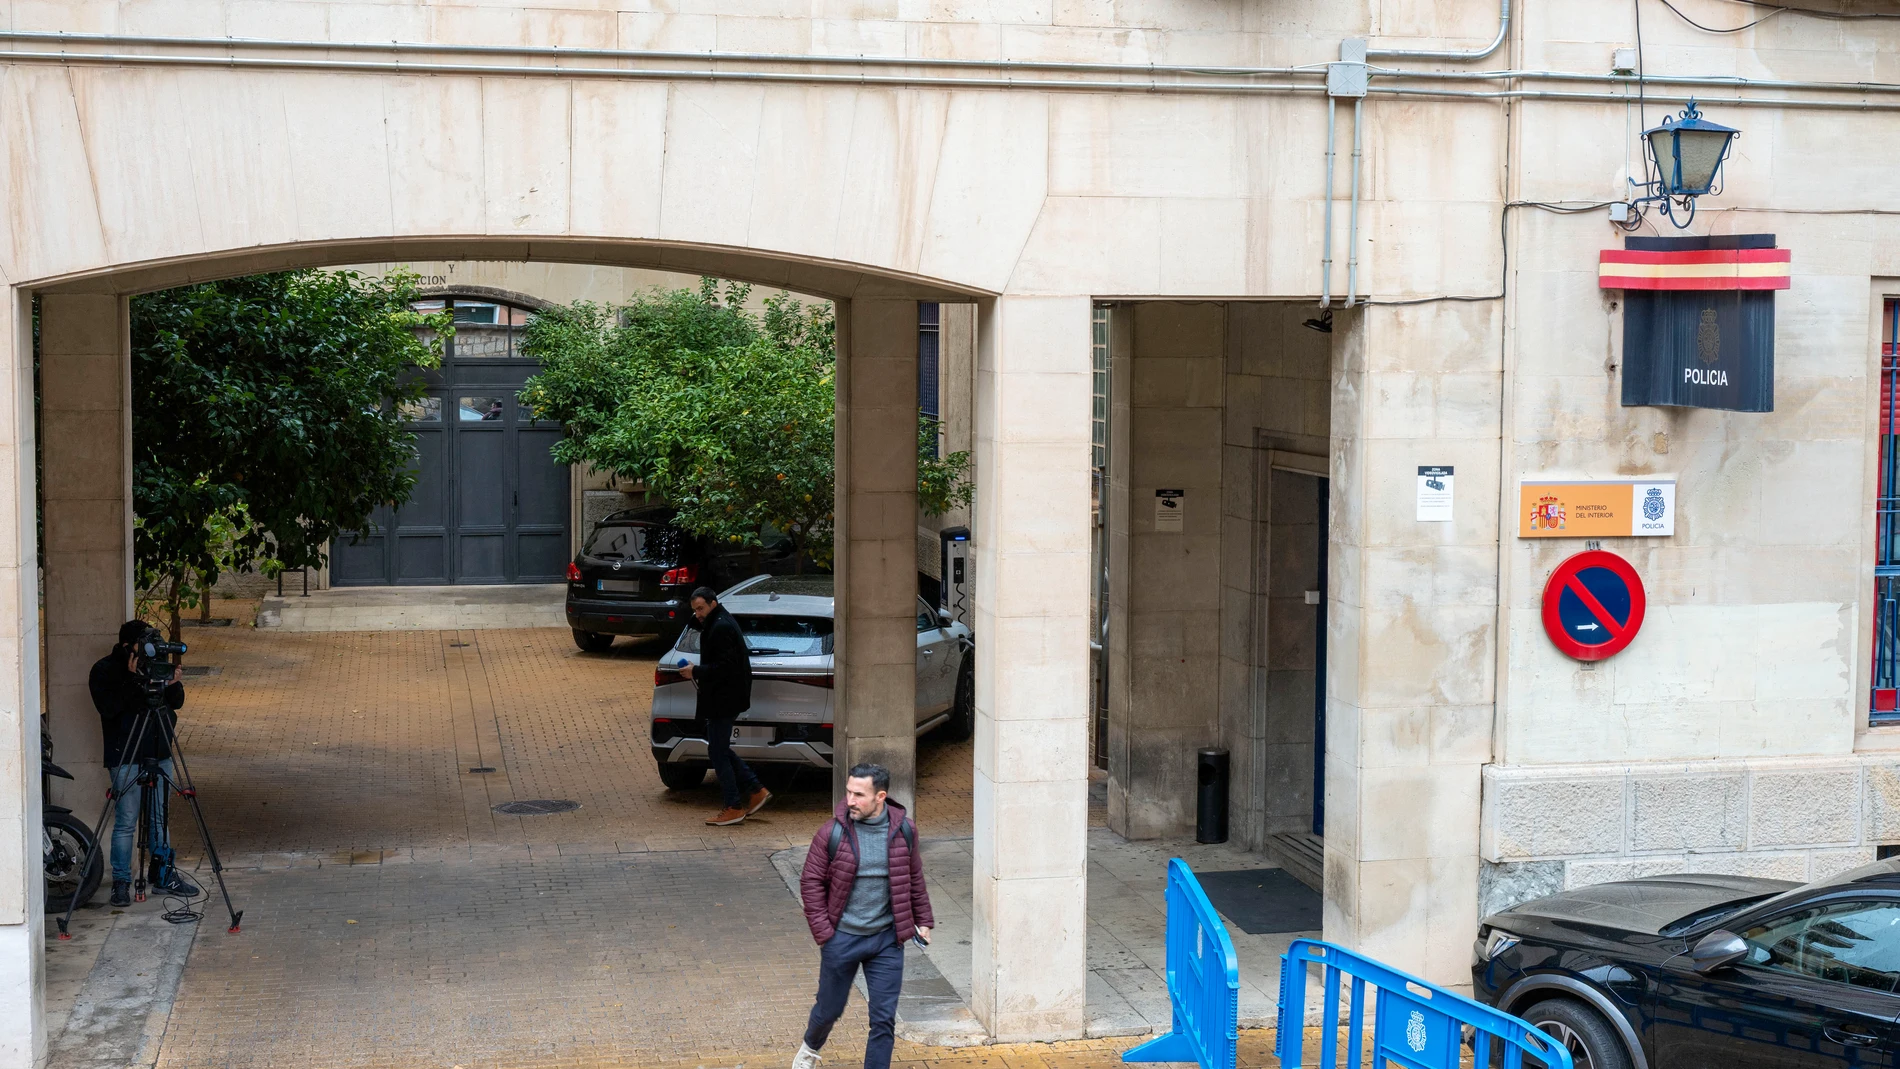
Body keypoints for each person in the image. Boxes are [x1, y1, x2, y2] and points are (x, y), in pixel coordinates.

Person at [793, 764, 934, 1069]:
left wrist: (923, 920)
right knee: (829, 1010)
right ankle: (809, 1048)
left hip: (886, 940)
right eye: (849, 792)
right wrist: (825, 934)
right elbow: (811, 882)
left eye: (859, 794)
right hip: (842, 937)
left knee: (883, 1019)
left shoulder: (904, 831)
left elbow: (914, 877)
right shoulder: (831, 832)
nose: (850, 800)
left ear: (880, 796)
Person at [88, 620, 200, 906]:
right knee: (126, 821)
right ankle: (122, 882)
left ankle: (162, 875)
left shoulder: (157, 664)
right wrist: (130, 678)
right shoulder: (104, 670)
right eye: (145, 643)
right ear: (128, 646)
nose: (152, 650)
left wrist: (172, 683)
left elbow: (175, 702)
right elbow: (109, 709)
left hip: (158, 749)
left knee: (159, 819)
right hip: (125, 753)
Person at [677, 586, 770, 825]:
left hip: (723, 699)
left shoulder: (721, 627)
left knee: (717, 751)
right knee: (719, 748)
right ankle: (755, 788)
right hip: (725, 698)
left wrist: (694, 670)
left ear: (713, 603)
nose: (697, 614)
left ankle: (734, 805)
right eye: (695, 609)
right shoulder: (718, 620)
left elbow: (725, 668)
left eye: (700, 608)